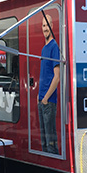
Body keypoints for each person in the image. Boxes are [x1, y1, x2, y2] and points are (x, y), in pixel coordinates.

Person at [38, 14, 60, 154]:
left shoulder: (54, 47)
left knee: (50, 142)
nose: (45, 28)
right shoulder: (43, 48)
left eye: (48, 25)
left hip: (48, 101)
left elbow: (57, 77)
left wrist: (46, 98)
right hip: (42, 99)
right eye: (43, 26)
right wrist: (40, 97)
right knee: (44, 142)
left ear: (52, 26)